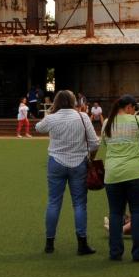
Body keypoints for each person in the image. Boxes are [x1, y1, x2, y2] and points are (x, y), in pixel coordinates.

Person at [97, 95, 139, 262]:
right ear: (129, 107)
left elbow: (104, 144)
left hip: (113, 174)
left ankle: (115, 252)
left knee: (115, 213)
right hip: (136, 173)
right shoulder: (136, 120)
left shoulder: (107, 123)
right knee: (138, 213)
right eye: (134, 108)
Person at [35, 89, 99, 255]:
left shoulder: (51, 118)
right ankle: (82, 243)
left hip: (56, 162)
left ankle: (49, 243)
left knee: (54, 202)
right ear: (73, 102)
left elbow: (38, 128)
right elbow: (94, 143)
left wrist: (50, 112)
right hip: (79, 163)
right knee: (79, 204)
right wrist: (91, 157)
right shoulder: (83, 117)